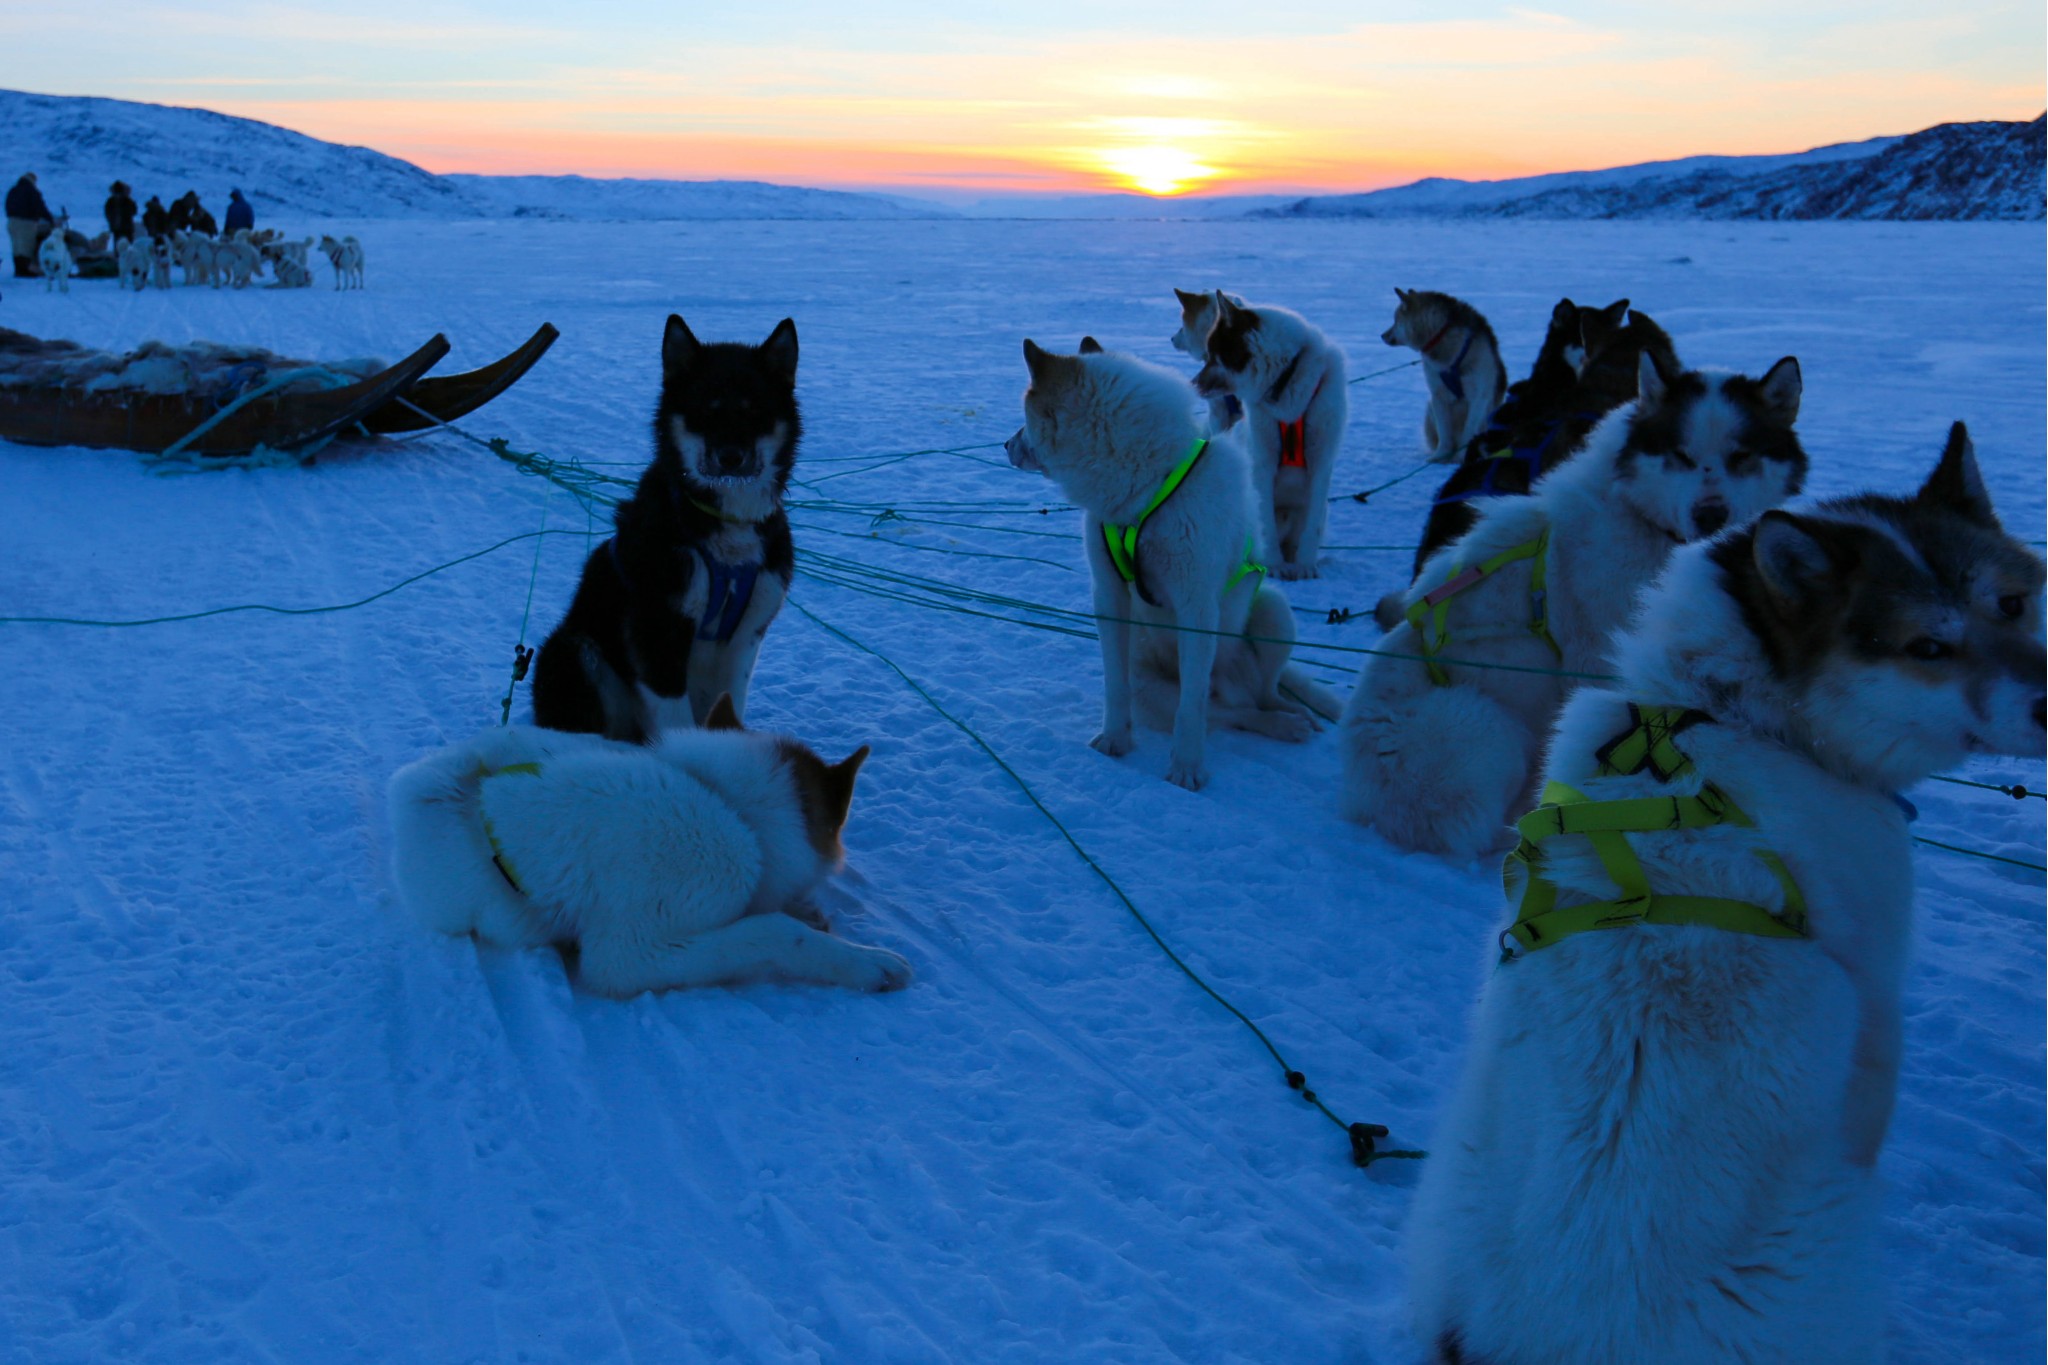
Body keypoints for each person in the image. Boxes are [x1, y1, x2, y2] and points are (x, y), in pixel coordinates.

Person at [6, 172, 54, 278]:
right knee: (26, 248)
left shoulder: (13, 190)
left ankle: (18, 269)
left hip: (12, 222)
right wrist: (51, 220)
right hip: (26, 223)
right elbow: (40, 207)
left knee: (17, 248)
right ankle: (26, 271)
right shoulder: (32, 191)